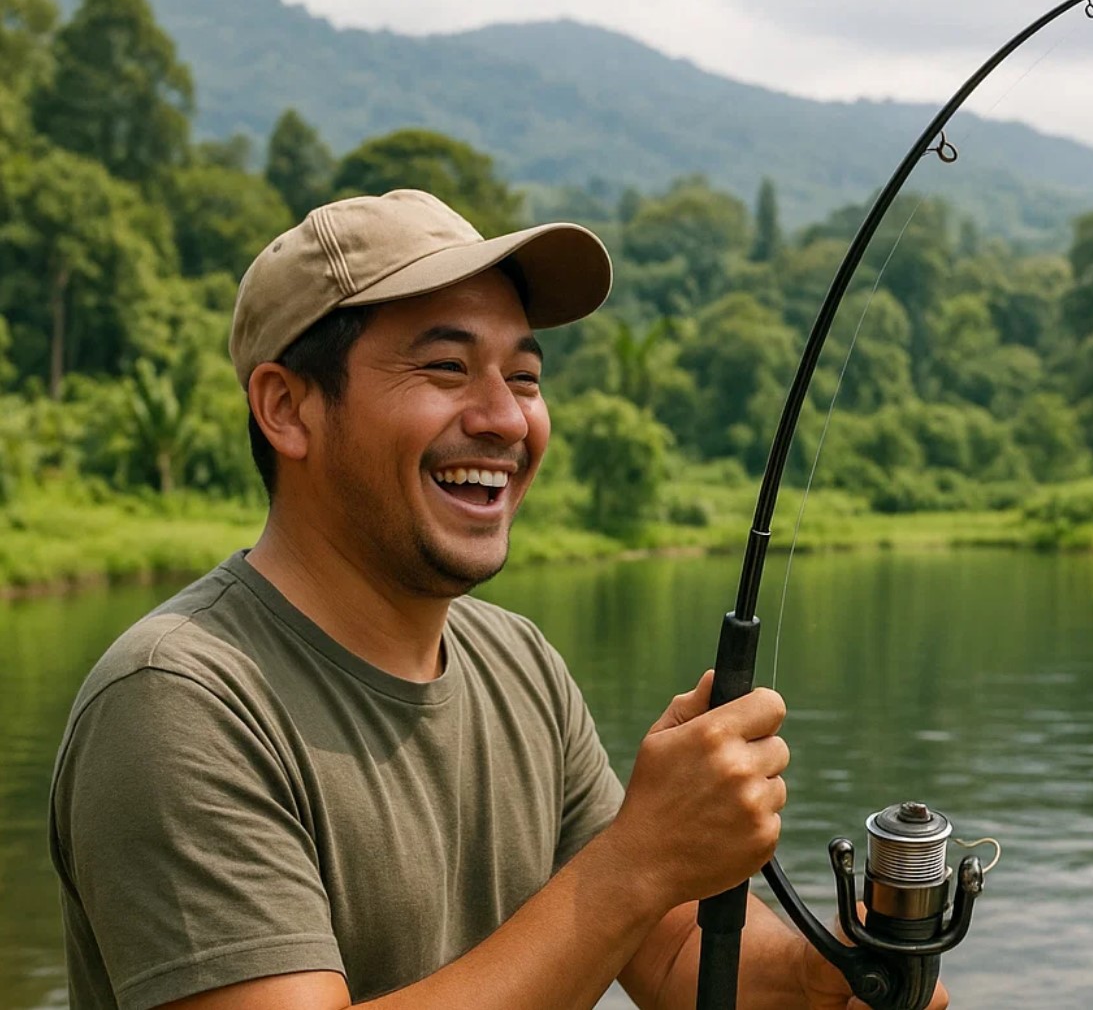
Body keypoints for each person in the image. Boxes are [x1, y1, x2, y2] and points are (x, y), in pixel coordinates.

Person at [48, 189, 951, 1010]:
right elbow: (620, 890)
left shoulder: (516, 663)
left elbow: (672, 951)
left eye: (524, 376)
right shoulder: (177, 701)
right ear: (287, 409)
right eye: (446, 369)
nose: (506, 418)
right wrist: (637, 860)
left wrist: (831, 981)